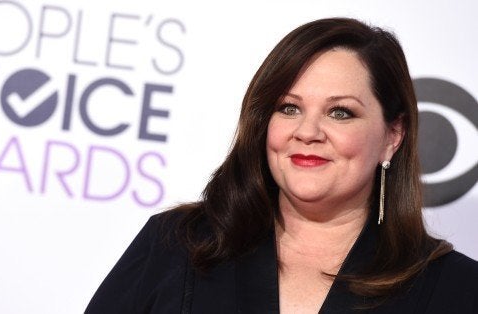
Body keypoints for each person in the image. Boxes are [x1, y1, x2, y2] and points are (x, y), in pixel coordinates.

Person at [85, 18, 478, 313]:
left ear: (392, 136)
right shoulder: (178, 245)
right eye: (289, 108)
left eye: (340, 113)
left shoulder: (457, 288)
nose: (307, 131)